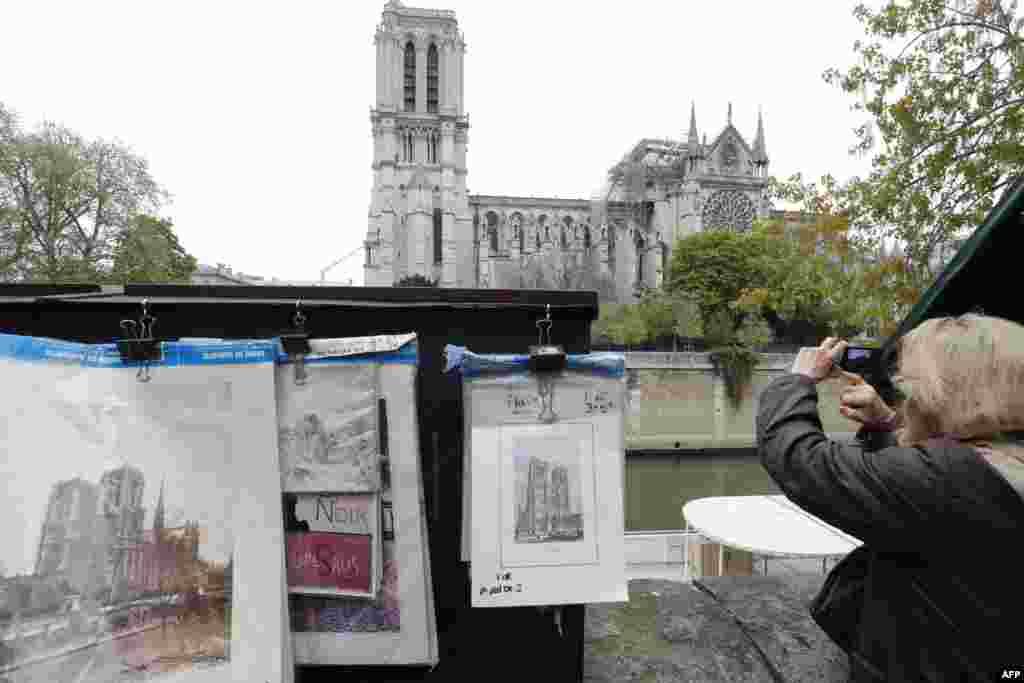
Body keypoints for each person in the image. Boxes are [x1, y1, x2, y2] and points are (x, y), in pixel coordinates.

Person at [757, 314, 1024, 682]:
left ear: (938, 394)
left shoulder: (947, 479)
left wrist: (797, 381)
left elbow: (801, 460)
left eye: (907, 389)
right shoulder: (1000, 461)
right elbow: (927, 491)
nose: (904, 396)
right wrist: (888, 423)